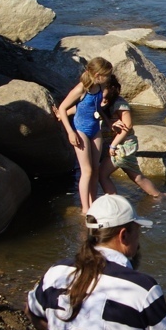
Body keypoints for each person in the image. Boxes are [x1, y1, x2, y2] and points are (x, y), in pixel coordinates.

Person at [25, 194, 166, 330]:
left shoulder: (56, 272)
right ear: (124, 235)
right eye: (137, 231)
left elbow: (31, 310)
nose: (139, 239)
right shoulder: (144, 288)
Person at [56, 57, 114, 214]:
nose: (109, 77)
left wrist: (109, 123)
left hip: (95, 129)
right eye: (106, 75)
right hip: (80, 130)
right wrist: (70, 132)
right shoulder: (81, 89)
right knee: (87, 170)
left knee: (95, 169)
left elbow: (97, 108)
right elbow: (62, 108)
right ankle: (85, 209)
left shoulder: (101, 86)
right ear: (95, 74)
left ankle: (93, 203)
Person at [97, 77, 163, 200]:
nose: (98, 90)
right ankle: (158, 195)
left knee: (102, 175)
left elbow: (127, 126)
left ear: (111, 89)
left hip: (123, 145)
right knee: (136, 176)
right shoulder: (101, 102)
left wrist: (113, 145)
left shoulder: (119, 104)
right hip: (115, 144)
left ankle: (115, 204)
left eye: (102, 88)